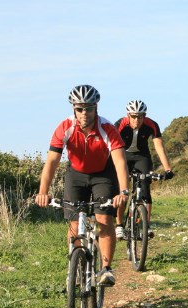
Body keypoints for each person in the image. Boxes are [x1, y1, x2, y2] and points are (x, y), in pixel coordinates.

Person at [35, 85, 129, 286]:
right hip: (76, 175)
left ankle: (105, 269)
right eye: (80, 108)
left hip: (104, 174)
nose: (84, 113)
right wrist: (43, 191)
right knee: (75, 223)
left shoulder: (107, 128)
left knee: (104, 218)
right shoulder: (65, 128)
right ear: (73, 109)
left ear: (96, 108)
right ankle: (75, 268)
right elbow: (52, 161)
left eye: (89, 108)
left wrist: (123, 191)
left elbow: (120, 161)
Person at [114, 100, 173, 239]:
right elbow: (112, 145)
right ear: (128, 115)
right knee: (123, 191)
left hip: (142, 156)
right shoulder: (120, 124)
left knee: (145, 188)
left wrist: (167, 169)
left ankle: (146, 224)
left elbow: (159, 146)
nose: (137, 119)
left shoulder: (151, 124)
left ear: (144, 115)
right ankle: (119, 225)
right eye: (134, 116)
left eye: (140, 116)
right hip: (124, 155)